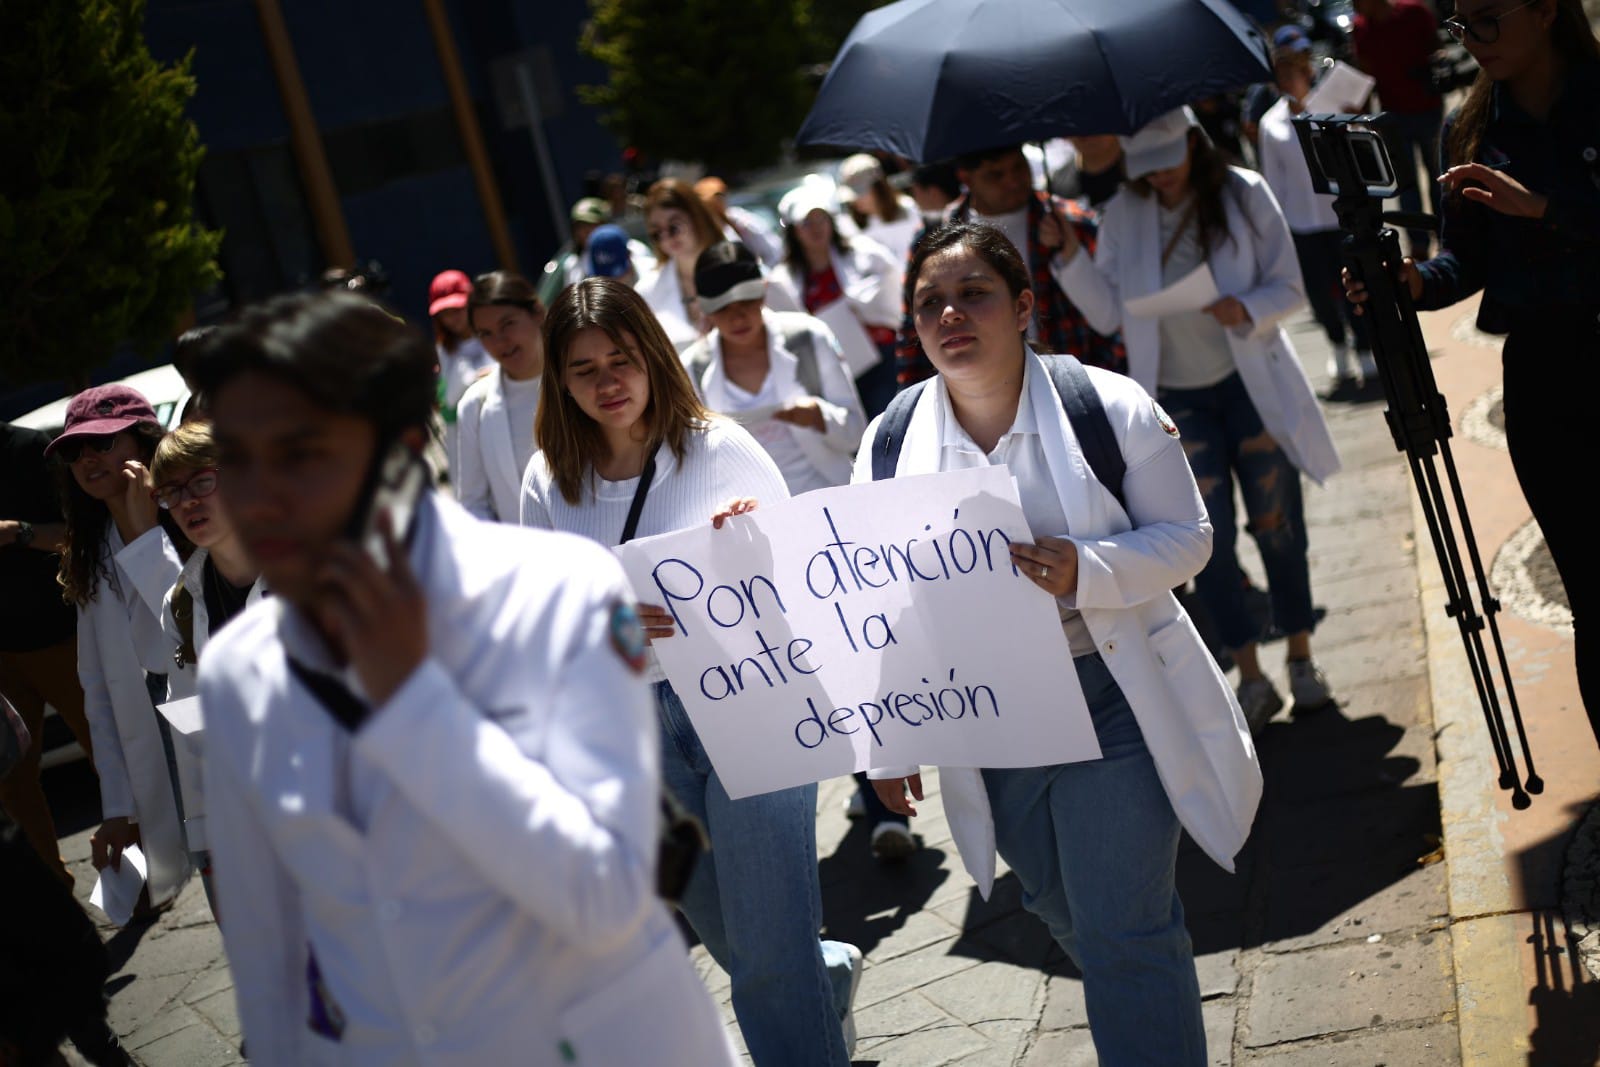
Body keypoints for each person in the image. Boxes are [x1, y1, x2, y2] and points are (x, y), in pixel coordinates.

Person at [190, 290, 736, 1065]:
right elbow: (269, 959)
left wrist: (415, 706)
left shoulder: (560, 590)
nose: (257, 496)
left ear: (402, 445)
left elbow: (608, 893)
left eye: (299, 453)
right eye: (236, 458)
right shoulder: (238, 671)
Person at [865, 222, 1261, 1066]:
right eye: (930, 302)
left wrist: (1089, 567)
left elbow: (1190, 537)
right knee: (1055, 906)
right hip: (997, 714)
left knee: (1123, 923)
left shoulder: (1106, 408)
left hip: (1113, 695)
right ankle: (1149, 990)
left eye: (973, 293)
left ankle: (1147, 1004)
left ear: (1023, 307)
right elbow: (878, 595)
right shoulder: (889, 443)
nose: (949, 314)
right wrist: (889, 735)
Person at [522, 278, 865, 1066]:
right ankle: (827, 972)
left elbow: (808, 578)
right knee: (733, 935)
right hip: (633, 727)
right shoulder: (549, 481)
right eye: (584, 369)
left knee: (769, 952)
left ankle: (802, 1001)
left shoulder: (718, 447)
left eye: (622, 359)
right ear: (559, 381)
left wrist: (753, 543)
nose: (609, 382)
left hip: (750, 700)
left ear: (653, 355)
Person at [1346, 0, 1600, 746]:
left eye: (1486, 19)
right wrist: (1411, 284)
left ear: (1546, 10)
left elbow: (1543, 216)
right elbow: (1469, 260)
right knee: (1591, 592)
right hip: (1545, 377)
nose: (1471, 40)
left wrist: (1549, 208)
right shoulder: (1472, 127)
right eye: (1461, 25)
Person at [1053, 107, 1341, 729]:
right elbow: (1108, 315)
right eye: (1148, 172)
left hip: (1249, 383)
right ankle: (1251, 673)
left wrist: (1248, 307)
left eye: (1169, 166)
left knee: (1276, 520)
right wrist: (1069, 255)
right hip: (1176, 400)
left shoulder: (1244, 192)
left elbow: (1290, 286)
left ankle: (1299, 655)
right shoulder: (1126, 215)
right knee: (1202, 540)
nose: (1161, 181)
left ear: (1194, 146)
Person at [44, 386, 192, 909]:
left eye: (104, 443)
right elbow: (98, 687)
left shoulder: (190, 509)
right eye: (74, 450)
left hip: (203, 726)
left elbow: (184, 634)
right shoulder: (91, 544)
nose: (87, 458)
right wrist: (117, 807)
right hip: (152, 743)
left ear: (143, 440)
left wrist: (145, 535)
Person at [896, 143, 1126, 385]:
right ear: (966, 177)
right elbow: (912, 324)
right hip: (977, 396)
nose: (1013, 180)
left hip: (1071, 386)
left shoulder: (1072, 223)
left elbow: (1112, 322)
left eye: (1019, 167)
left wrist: (1070, 254)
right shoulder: (935, 238)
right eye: (995, 175)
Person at [1258, 26, 1379, 391]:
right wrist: (1278, 232)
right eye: (1283, 73)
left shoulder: (1329, 108)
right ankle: (1337, 347)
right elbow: (1273, 182)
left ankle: (1364, 349)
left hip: (1338, 216)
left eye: (1296, 70)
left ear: (1308, 71)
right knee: (1318, 293)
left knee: (1352, 285)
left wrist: (1354, 120)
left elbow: (1359, 156)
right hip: (1302, 225)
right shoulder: (1271, 124)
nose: (1290, 79)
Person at [0, 421, 91, 887]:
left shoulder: (30, 449)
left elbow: (78, 535)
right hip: (4, 656)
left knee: (111, 761)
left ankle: (138, 882)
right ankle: (55, 893)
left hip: (63, 636)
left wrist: (18, 533)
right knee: (12, 780)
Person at [771, 186, 904, 418]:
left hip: (882, 359)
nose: (817, 228)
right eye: (807, 223)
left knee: (892, 421)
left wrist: (861, 306)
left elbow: (892, 288)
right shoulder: (784, 279)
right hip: (833, 372)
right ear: (794, 231)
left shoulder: (864, 252)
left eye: (821, 218)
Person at [1351, 0, 1446, 257]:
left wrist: (1434, 66)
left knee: (1439, 176)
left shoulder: (1414, 12)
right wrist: (1363, 114)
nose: (1353, 6)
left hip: (1428, 108)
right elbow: (1366, 75)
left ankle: (1445, 234)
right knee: (1407, 184)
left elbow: (1438, 49)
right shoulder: (1361, 28)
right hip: (1394, 117)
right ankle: (1418, 244)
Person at [455, 272, 547, 523]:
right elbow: (474, 503)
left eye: (508, 324)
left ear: (537, 313)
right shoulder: (475, 405)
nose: (500, 341)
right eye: (485, 333)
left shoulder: (581, 378)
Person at [635, 178, 726, 351]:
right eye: (656, 233)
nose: (667, 237)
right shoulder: (647, 290)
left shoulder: (740, 266)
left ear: (697, 218)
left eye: (674, 226)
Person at [428, 269, 494, 482]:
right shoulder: (443, 351)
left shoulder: (494, 335)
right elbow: (447, 400)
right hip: (465, 439)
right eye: (445, 312)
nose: (452, 318)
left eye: (458, 308)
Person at [837, 153, 922, 263]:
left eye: (860, 192)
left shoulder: (910, 211)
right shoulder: (850, 227)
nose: (854, 200)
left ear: (878, 188)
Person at [697, 176, 784, 266]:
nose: (716, 202)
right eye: (710, 199)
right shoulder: (700, 232)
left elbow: (772, 250)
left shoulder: (739, 219)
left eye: (719, 196)